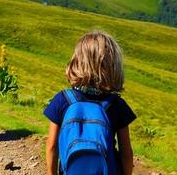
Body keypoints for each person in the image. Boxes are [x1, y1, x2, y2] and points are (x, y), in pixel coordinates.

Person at [44, 31, 136, 175]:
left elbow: (51, 146)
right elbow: (126, 152)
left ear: (77, 61)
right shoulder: (116, 105)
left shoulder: (62, 100)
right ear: (112, 66)